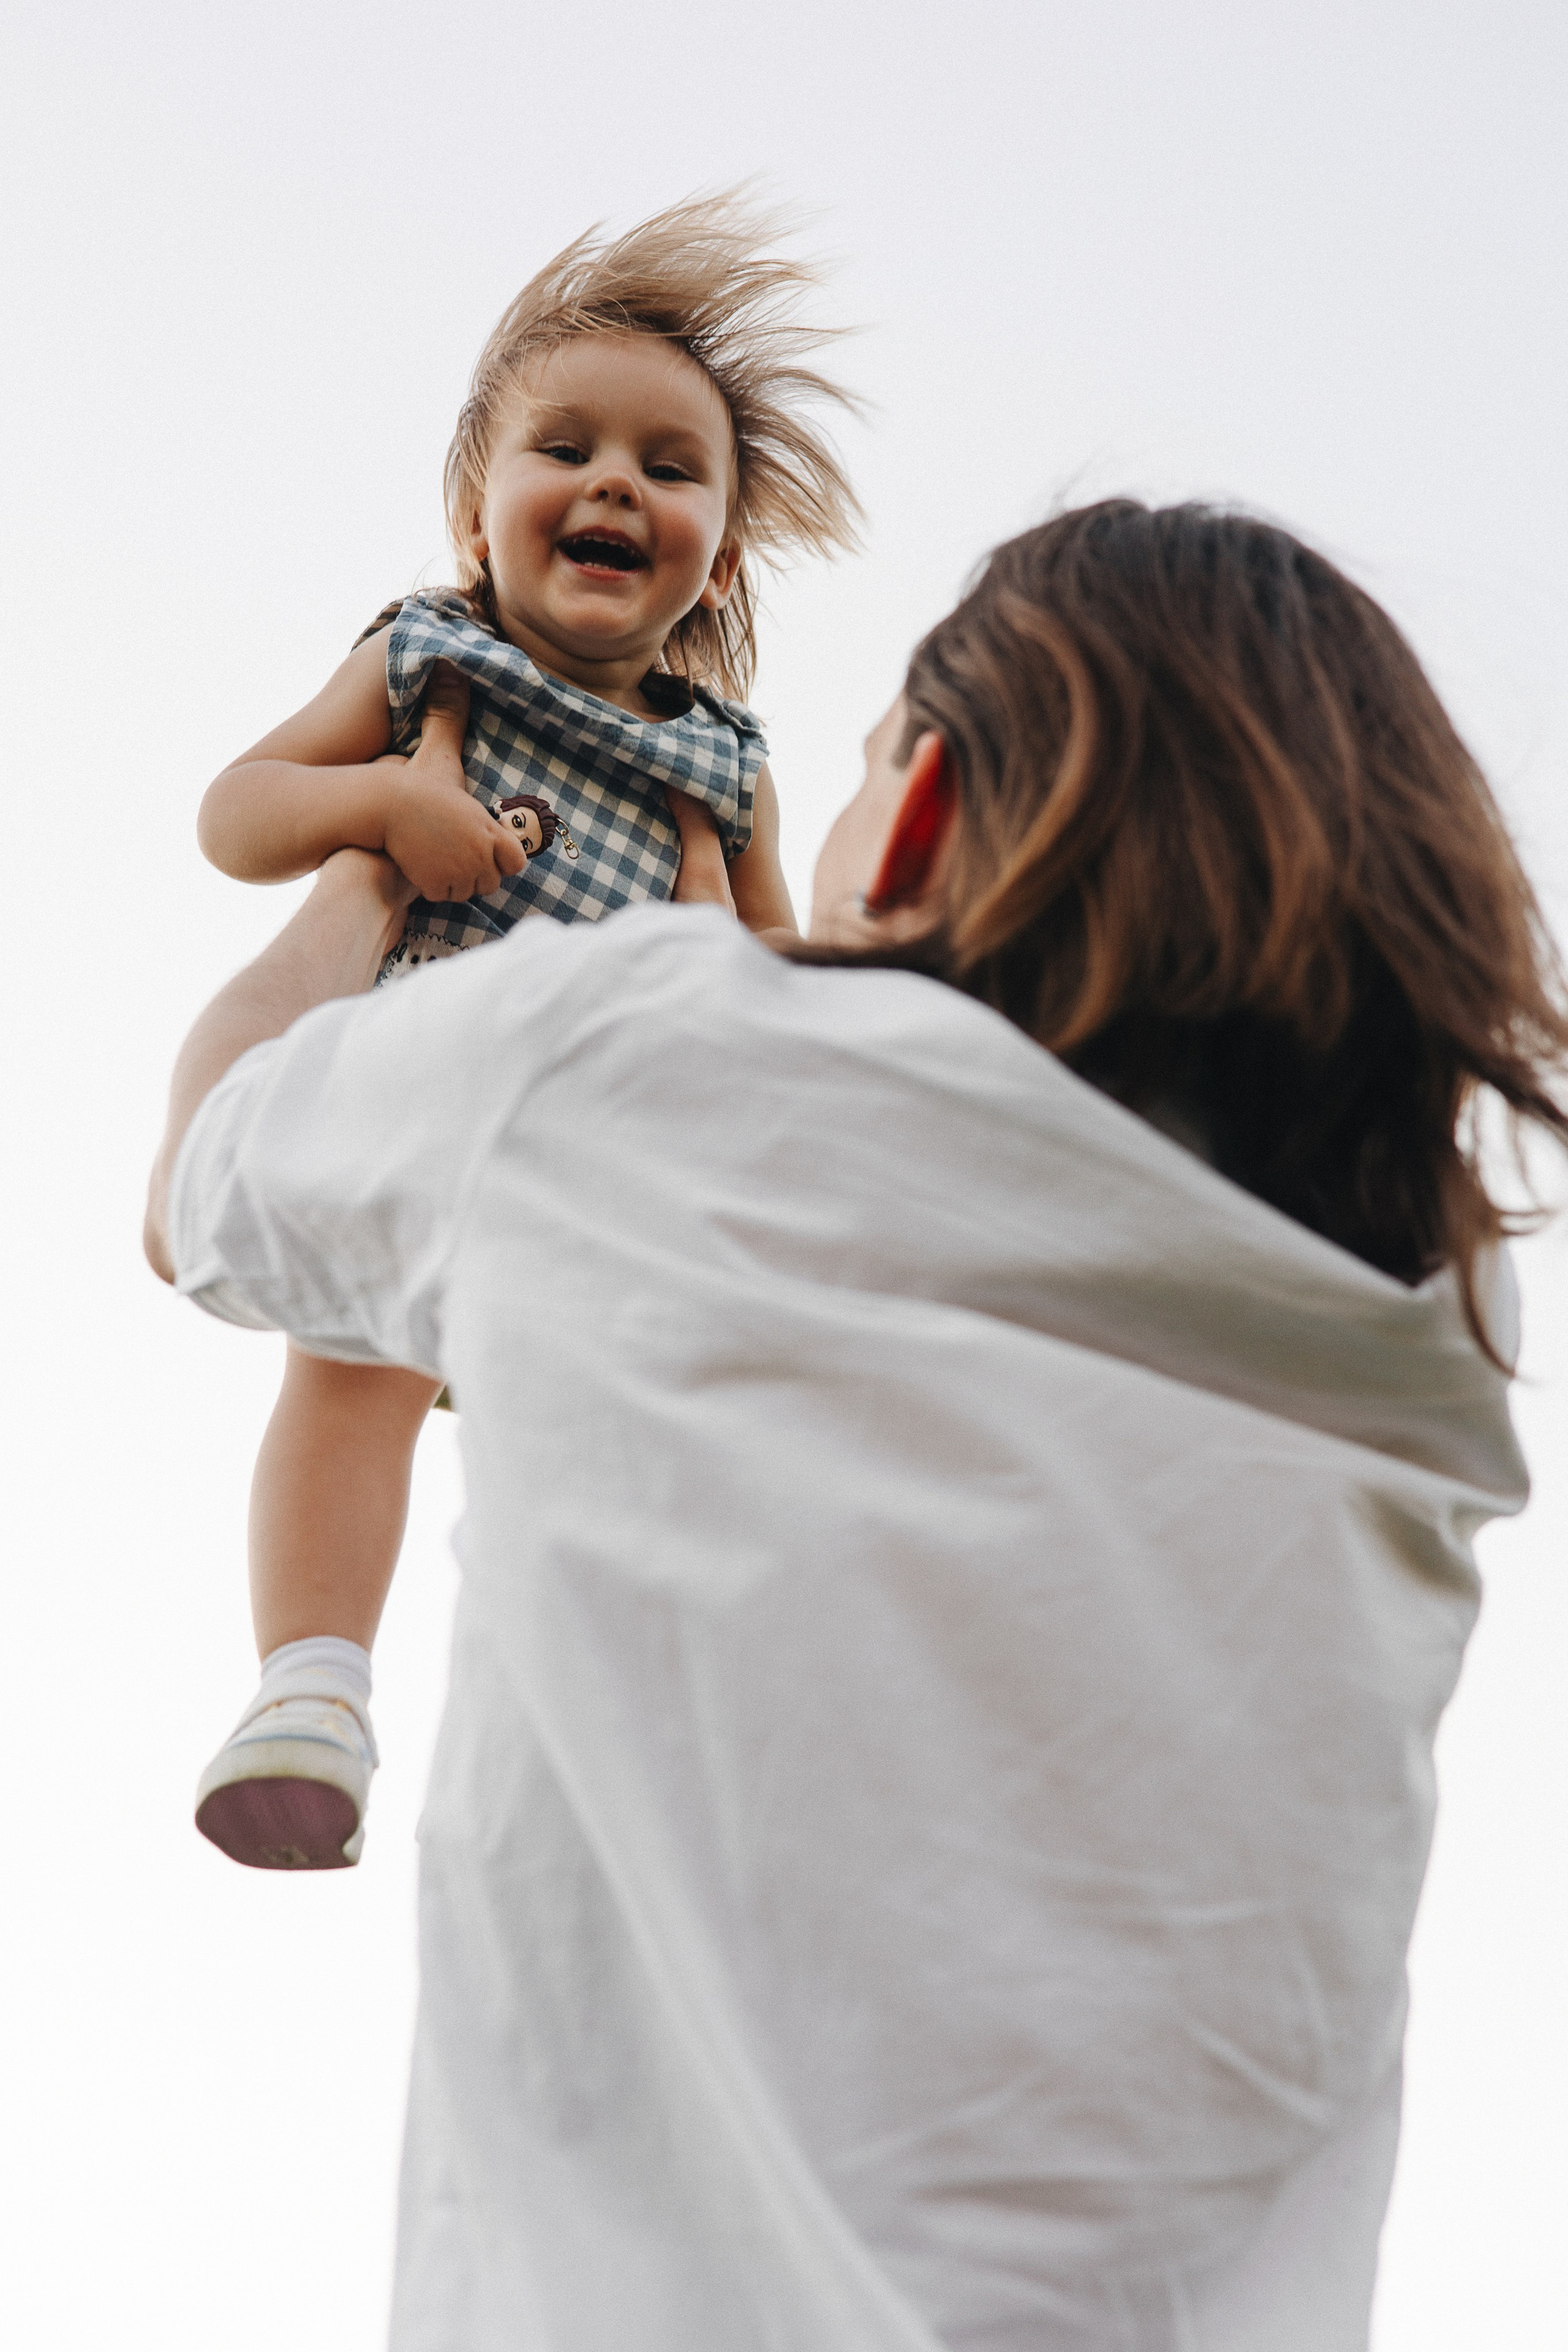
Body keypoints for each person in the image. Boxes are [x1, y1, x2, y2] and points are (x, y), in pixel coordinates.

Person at [146, 502, 1568, 2348]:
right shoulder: (1434, 1325)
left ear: (918, 810)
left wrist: (372, 873)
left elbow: (205, 1187)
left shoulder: (636, 1060)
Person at [187, 193, 859, 1871]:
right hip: (424, 1082)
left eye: (671, 465)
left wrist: (745, 963)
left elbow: (786, 969)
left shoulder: (729, 762)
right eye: (566, 446)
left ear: (717, 551)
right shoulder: (426, 661)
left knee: (646, 1439)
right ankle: (312, 1684)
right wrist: (388, 812)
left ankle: (647, 1746)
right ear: (479, 521)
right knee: (356, 1358)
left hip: (630, 1144)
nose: (620, 480)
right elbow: (238, 808)